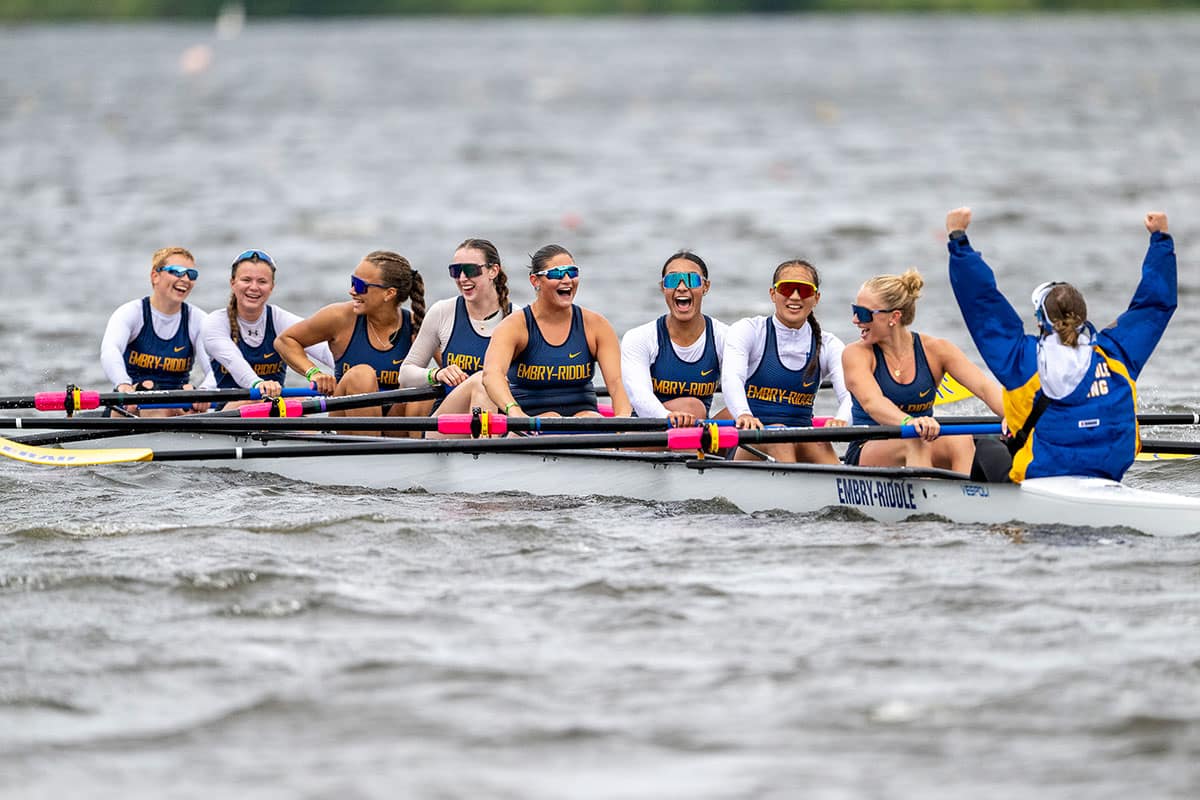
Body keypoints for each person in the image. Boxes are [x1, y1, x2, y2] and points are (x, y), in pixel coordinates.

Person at [945, 206, 1176, 482]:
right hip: (1111, 469)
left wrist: (958, 239)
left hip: (1045, 473)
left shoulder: (1024, 361)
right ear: (1083, 316)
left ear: (1041, 321)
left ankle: (985, 513)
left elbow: (982, 305)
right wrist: (1161, 239)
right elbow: (1154, 306)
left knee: (985, 444)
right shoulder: (1118, 353)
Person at [841, 267, 1005, 473]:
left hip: (921, 439)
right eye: (854, 310)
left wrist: (1012, 416)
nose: (855, 320)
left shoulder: (938, 350)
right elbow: (872, 403)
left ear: (894, 317)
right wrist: (910, 422)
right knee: (914, 439)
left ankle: (965, 498)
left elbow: (984, 387)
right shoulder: (856, 354)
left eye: (863, 313)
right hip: (869, 446)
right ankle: (929, 503)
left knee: (960, 439)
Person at [274, 250, 433, 432]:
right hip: (347, 422)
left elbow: (452, 371)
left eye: (359, 285)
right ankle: (369, 453)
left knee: (426, 381)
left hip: (394, 424)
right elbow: (285, 340)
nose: (352, 291)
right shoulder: (339, 317)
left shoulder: (417, 325)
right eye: (352, 282)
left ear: (389, 293)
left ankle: (418, 452)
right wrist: (314, 373)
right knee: (362, 375)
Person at [721, 259, 851, 464]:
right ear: (773, 294)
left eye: (804, 290)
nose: (795, 296)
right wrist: (744, 413)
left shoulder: (829, 344)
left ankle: (836, 489)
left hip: (801, 440)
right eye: (787, 288)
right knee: (779, 436)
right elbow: (731, 379)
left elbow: (849, 394)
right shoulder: (749, 331)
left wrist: (841, 419)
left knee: (819, 441)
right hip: (749, 443)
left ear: (816, 298)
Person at [483, 244, 632, 418]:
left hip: (585, 419)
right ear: (535, 281)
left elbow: (616, 383)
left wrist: (623, 422)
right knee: (550, 416)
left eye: (572, 272)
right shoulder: (514, 326)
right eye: (557, 274)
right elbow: (492, 375)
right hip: (529, 421)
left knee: (590, 418)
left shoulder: (596, 325)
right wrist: (514, 411)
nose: (567, 280)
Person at [201, 249, 333, 408]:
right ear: (233, 283)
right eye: (246, 280)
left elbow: (324, 350)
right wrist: (257, 384)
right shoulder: (215, 322)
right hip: (229, 412)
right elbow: (234, 363)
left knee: (301, 403)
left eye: (262, 281)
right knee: (258, 400)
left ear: (271, 287)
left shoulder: (280, 319)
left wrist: (348, 373)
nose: (254, 287)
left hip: (274, 409)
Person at [398, 238, 513, 416]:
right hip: (448, 424)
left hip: (501, 423)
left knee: (486, 381)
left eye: (470, 270)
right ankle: (485, 443)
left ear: (493, 271)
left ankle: (487, 442)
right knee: (482, 381)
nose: (462, 278)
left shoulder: (517, 319)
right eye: (456, 271)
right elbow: (405, 376)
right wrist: (436, 374)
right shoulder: (443, 312)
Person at [620, 251, 730, 428]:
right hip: (649, 432)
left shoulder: (725, 337)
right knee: (692, 406)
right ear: (663, 288)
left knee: (753, 408)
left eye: (691, 280)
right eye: (672, 281)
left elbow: (741, 387)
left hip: (698, 433)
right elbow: (640, 398)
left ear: (706, 286)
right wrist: (670, 417)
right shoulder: (639, 338)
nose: (681, 287)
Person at [100, 246, 211, 416]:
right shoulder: (131, 313)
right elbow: (110, 350)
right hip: (131, 404)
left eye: (191, 274)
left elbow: (215, 367)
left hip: (176, 403)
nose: (186, 279)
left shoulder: (198, 320)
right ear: (155, 276)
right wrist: (123, 384)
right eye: (177, 272)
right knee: (153, 403)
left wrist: (205, 391)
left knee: (186, 403)